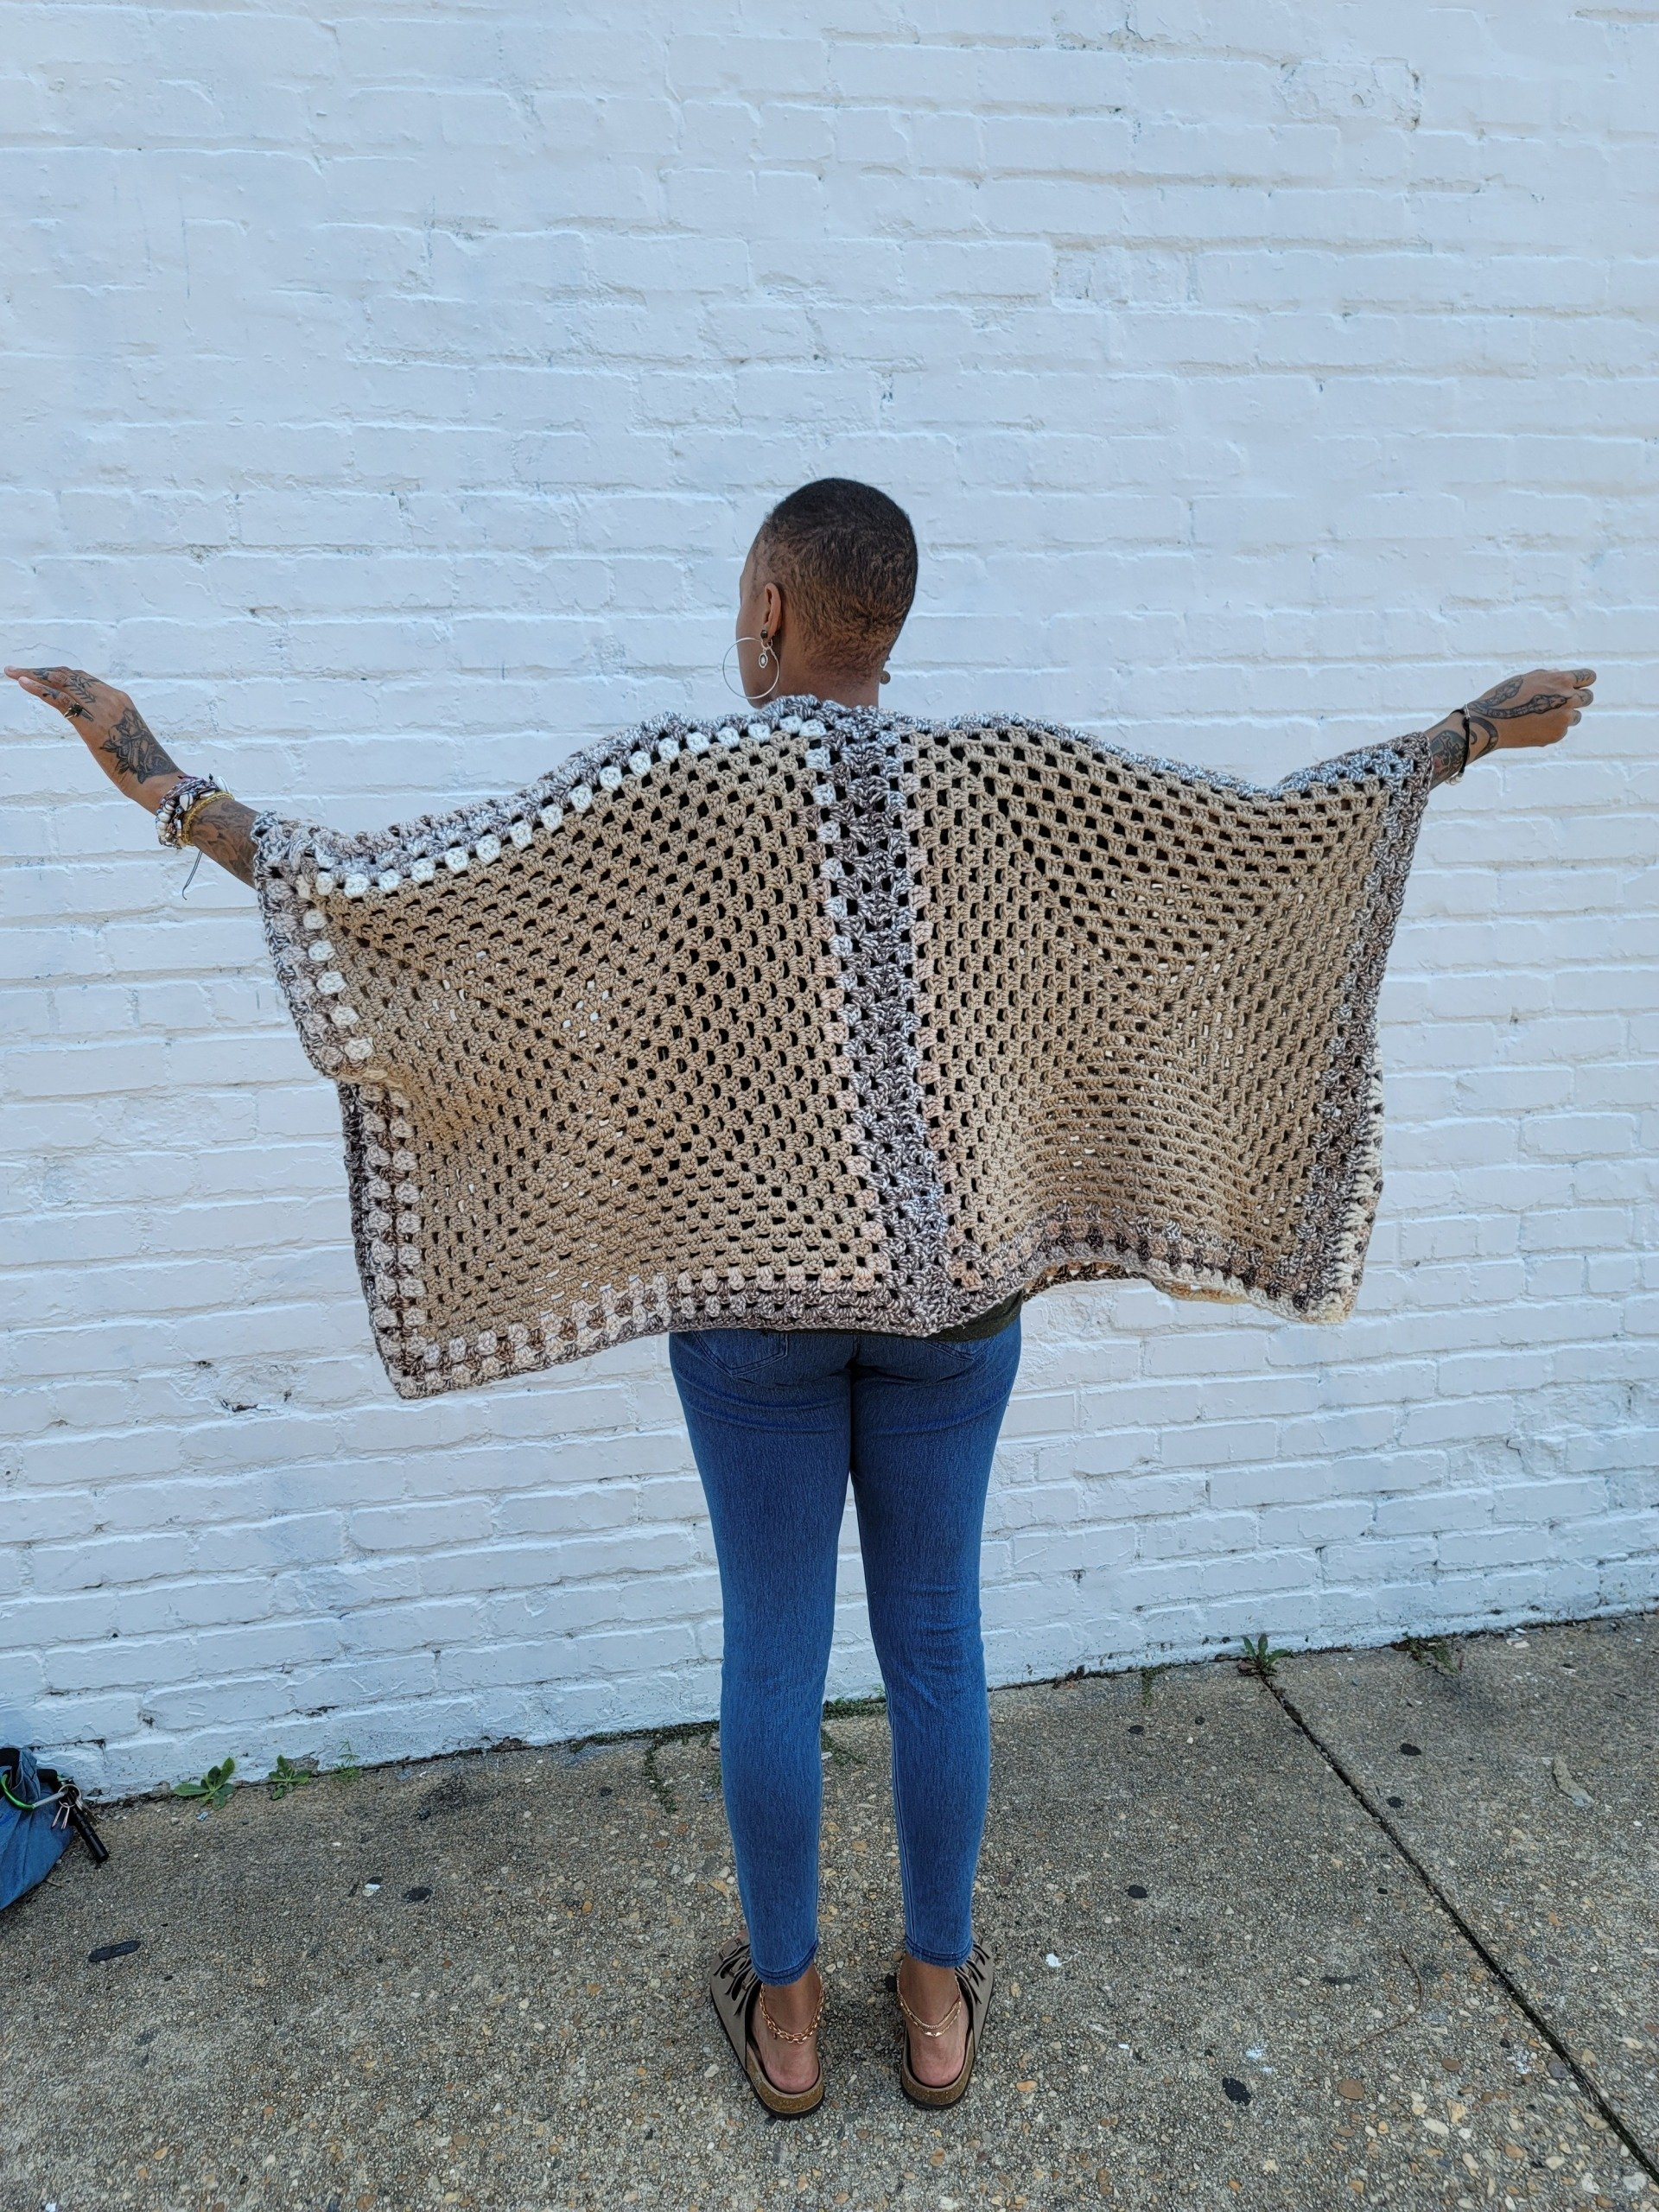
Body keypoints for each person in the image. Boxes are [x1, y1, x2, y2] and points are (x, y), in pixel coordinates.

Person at [7, 478, 1594, 2117]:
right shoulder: (1010, 779)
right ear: (887, 620)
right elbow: (1247, 854)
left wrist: (164, 781)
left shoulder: (675, 787)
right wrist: (1462, 736)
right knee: (937, 1639)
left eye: (741, 598)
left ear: (771, 605)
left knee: (773, 1648)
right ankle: (934, 2001)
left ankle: (784, 2016)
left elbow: (424, 899)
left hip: (753, 1311)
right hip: (955, 1305)